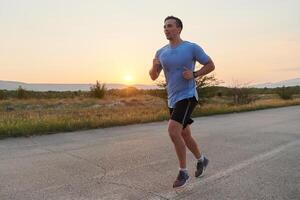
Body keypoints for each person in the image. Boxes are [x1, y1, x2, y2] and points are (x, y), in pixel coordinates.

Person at [149, 16, 215, 188]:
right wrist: (153, 65)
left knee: (172, 130)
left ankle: (183, 172)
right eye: (164, 27)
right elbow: (153, 76)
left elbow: (210, 64)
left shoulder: (191, 47)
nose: (166, 29)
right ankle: (202, 160)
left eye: (169, 26)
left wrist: (194, 74)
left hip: (188, 95)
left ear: (179, 28)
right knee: (184, 134)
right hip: (172, 98)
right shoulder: (160, 52)